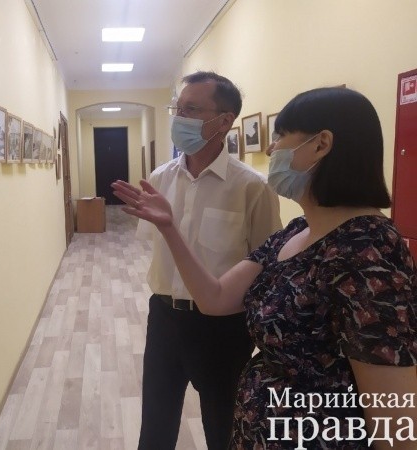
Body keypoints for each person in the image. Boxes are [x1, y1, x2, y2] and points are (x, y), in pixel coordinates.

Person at [112, 86, 417, 449]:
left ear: (321, 144)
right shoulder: (297, 231)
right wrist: (170, 227)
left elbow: (394, 416)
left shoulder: (370, 250)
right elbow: (215, 297)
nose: (271, 150)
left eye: (281, 135)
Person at [130, 71, 282, 449]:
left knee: (223, 428)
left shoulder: (251, 187)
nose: (179, 118)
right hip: (164, 316)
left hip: (224, 329)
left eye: (192, 109)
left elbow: (267, 267)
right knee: (155, 426)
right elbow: (154, 248)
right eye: (178, 109)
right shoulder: (160, 178)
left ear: (224, 121)